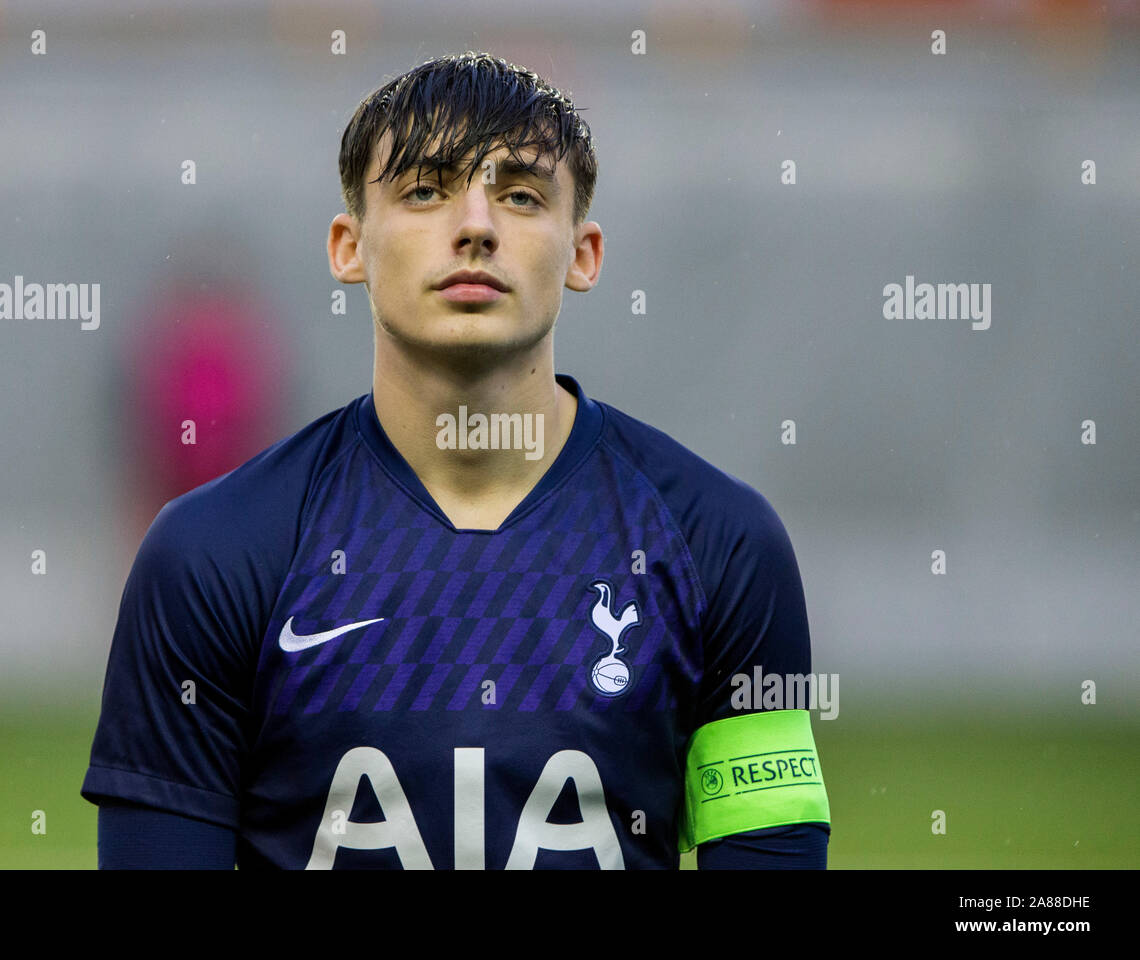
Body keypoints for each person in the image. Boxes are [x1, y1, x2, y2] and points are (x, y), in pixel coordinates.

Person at [82, 51, 831, 869]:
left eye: (519, 195)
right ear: (348, 247)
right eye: (425, 189)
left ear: (584, 254)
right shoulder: (212, 555)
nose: (475, 226)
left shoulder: (719, 545)